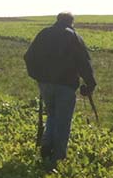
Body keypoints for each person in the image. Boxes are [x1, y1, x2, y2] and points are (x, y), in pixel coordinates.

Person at [23, 12, 97, 164]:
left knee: (52, 115)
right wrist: (90, 83)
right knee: (63, 121)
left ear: (57, 20)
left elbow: (28, 57)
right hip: (66, 85)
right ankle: (57, 157)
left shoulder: (44, 34)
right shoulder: (74, 36)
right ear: (71, 22)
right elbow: (84, 62)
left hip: (45, 84)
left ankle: (46, 144)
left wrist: (38, 77)